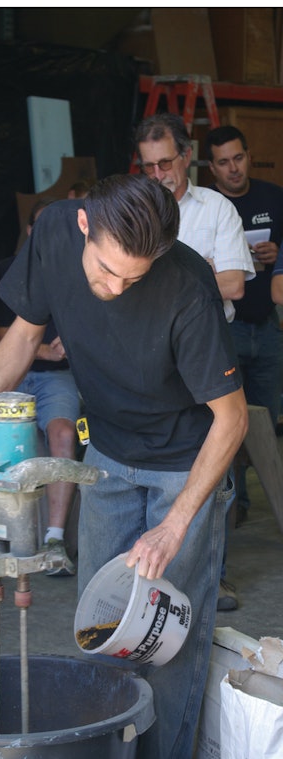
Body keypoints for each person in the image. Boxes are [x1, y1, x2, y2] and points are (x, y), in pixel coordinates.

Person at [0, 174, 247, 759]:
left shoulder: (186, 287)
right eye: (105, 270)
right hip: (104, 453)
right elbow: (22, 336)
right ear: (83, 227)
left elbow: (231, 420)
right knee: (103, 625)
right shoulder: (53, 232)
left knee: (166, 630)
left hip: (182, 463)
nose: (113, 288)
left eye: (132, 279)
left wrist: (175, 525)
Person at [135, 112, 255, 611]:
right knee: (153, 465)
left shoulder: (217, 210)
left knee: (215, 465)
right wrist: (201, 270)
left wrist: (181, 276)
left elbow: (233, 284)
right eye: (148, 166)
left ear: (186, 156)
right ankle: (145, 575)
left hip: (207, 351)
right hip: (149, 353)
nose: (159, 173)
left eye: (167, 161)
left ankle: (215, 575)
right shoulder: (136, 208)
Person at [0, 199, 81, 576]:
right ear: (29, 231)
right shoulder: (7, 271)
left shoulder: (81, 271)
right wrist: (48, 352)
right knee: (4, 447)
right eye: (42, 227)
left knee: (63, 432)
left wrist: (73, 345)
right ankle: (4, 541)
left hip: (60, 377)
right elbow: (3, 338)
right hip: (17, 377)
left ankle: (54, 540)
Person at [205, 125, 283, 528]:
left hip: (267, 326)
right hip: (227, 330)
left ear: (249, 156)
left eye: (238, 158)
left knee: (266, 423)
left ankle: (255, 491)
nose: (233, 169)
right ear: (211, 168)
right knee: (228, 422)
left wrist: (277, 255)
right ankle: (236, 501)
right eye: (223, 162)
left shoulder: (273, 196)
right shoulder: (208, 207)